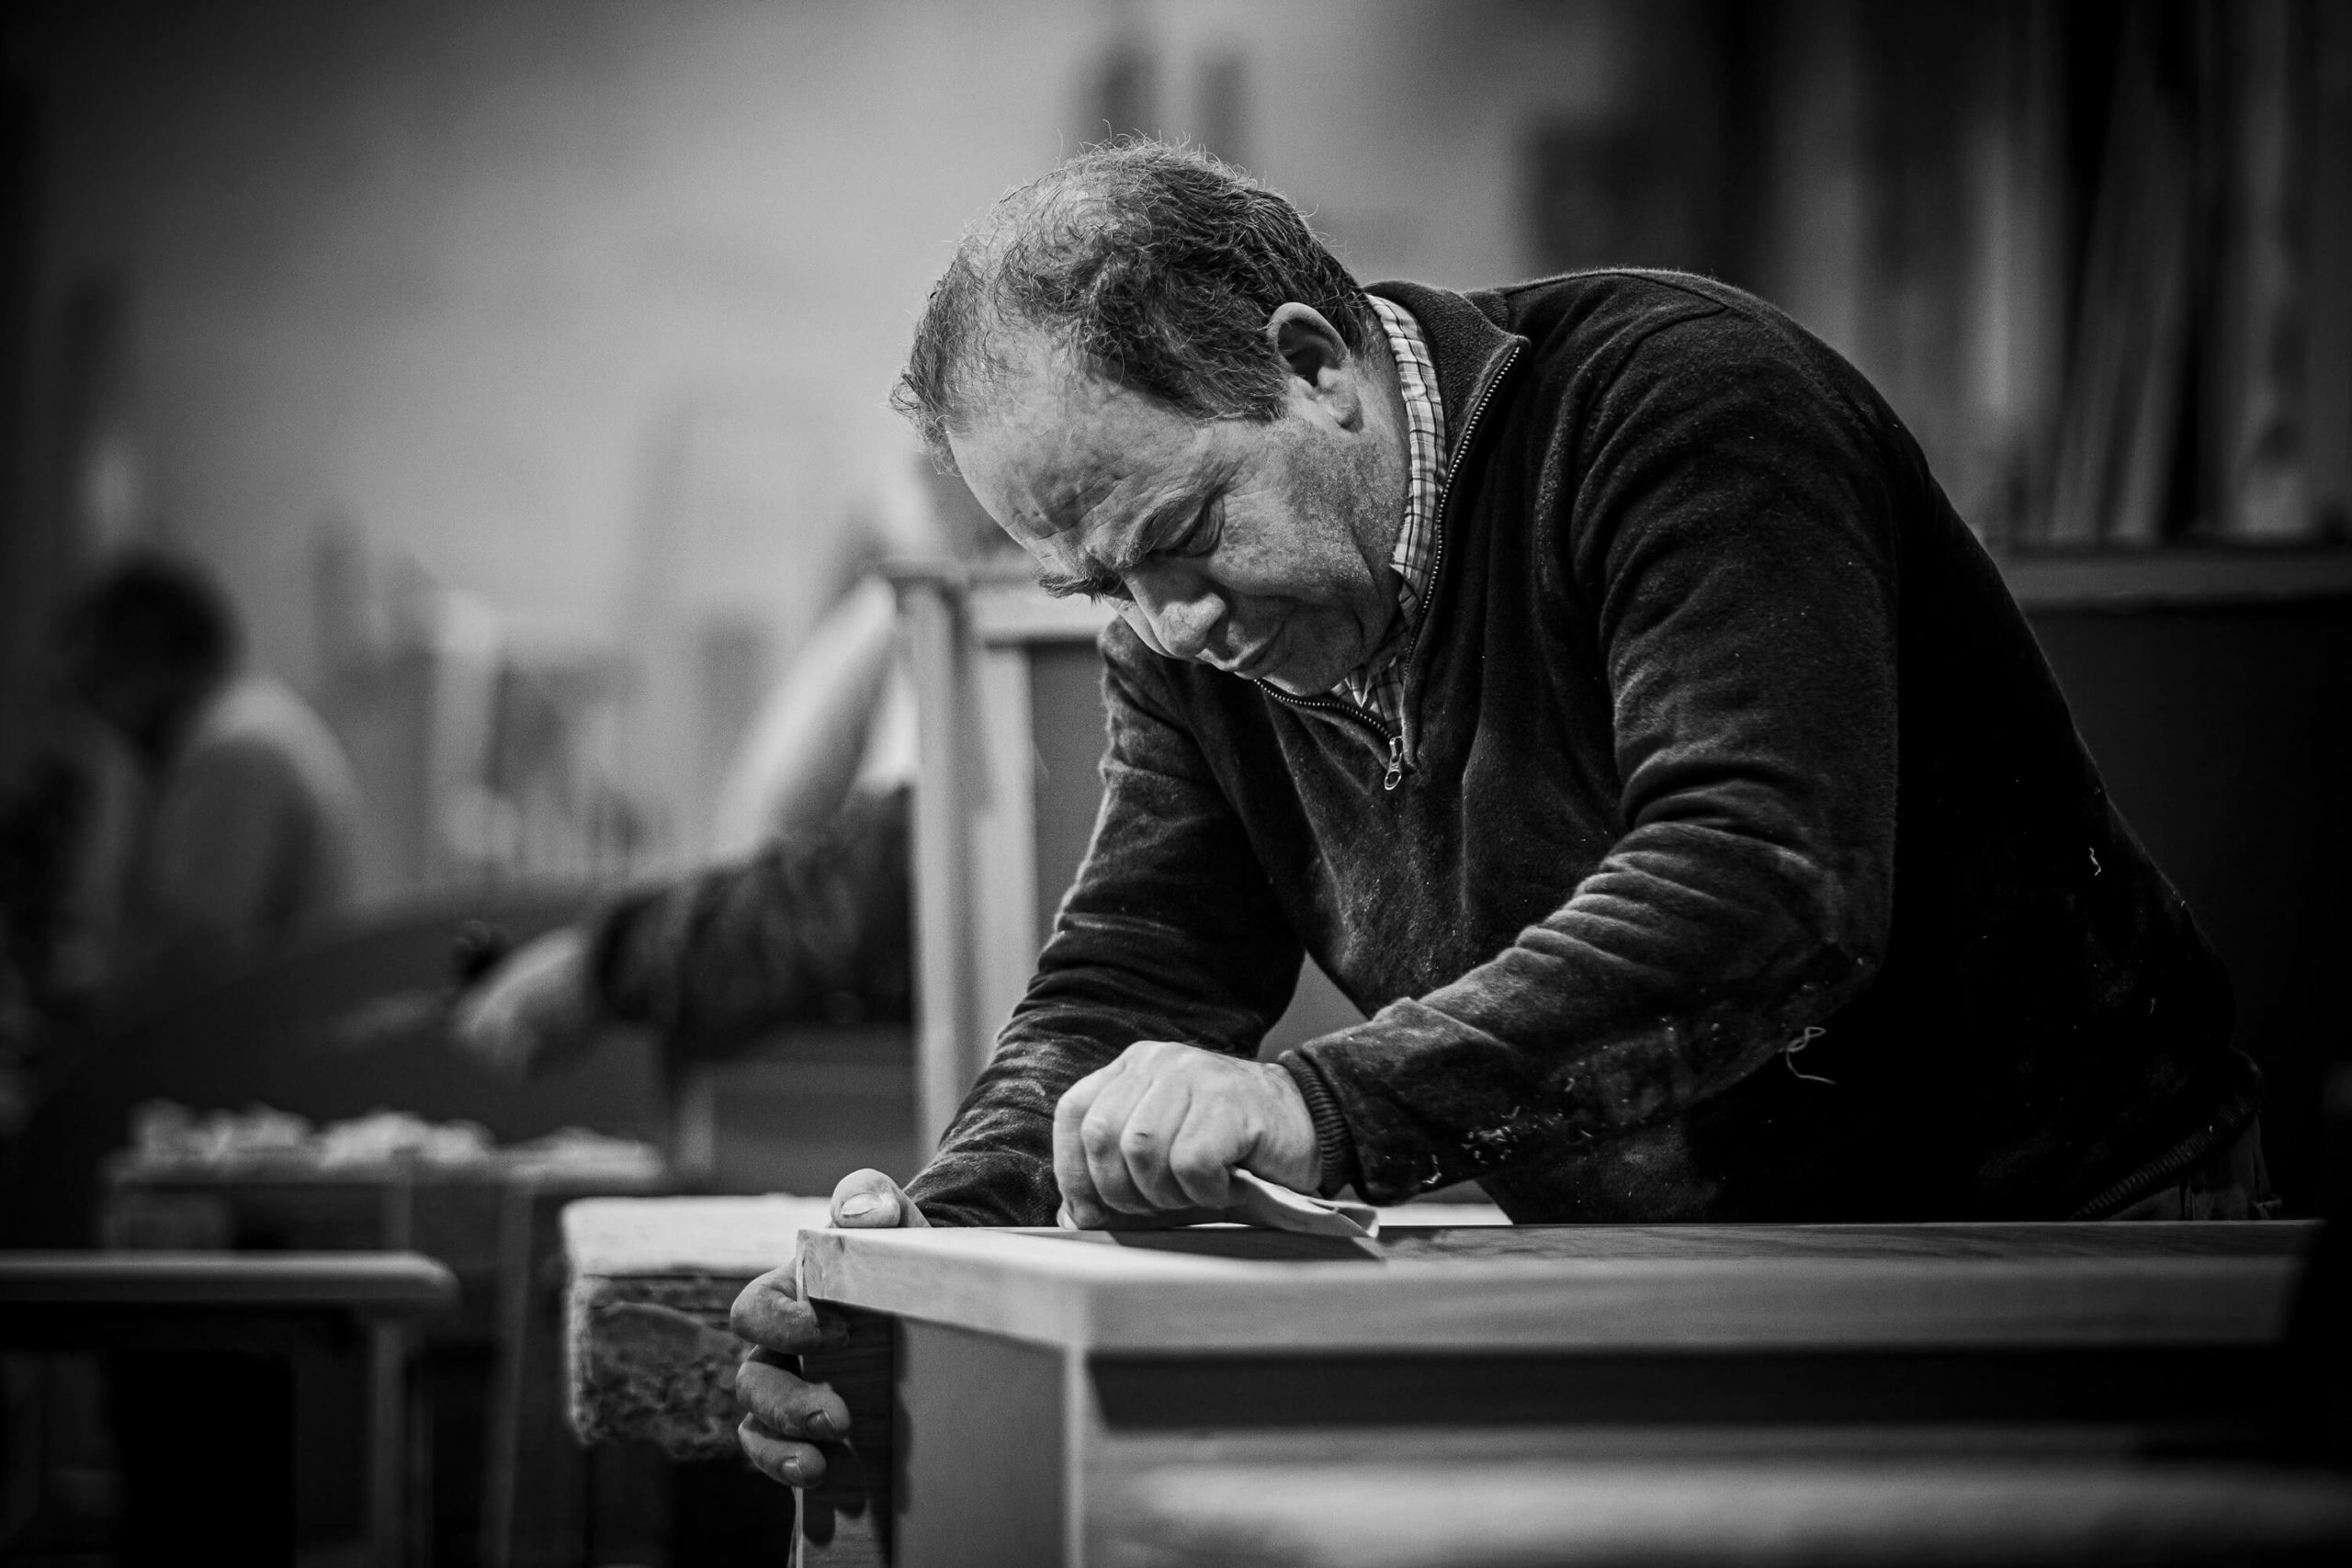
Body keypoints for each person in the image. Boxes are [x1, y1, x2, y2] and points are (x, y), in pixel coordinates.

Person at [729, 142, 2267, 1489]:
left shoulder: (1681, 410)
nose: (1168, 618)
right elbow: (1133, 972)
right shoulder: (1188, 632)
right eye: (1104, 586)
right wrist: (930, 1252)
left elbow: (1760, 880)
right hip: (1677, 1274)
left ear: (1315, 362)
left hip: (2060, 1238)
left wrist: (1328, 1112)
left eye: (1183, 533)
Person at [452, 575, 916, 1080]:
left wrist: (618, 963)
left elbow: (872, 898)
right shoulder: (901, 613)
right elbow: (764, 835)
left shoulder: (942, 611)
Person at [57, 550, 361, 1010]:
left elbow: (189, 961)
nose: (98, 708)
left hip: (249, 1060)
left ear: (147, 661)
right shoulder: (238, 726)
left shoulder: (235, 750)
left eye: (100, 676)